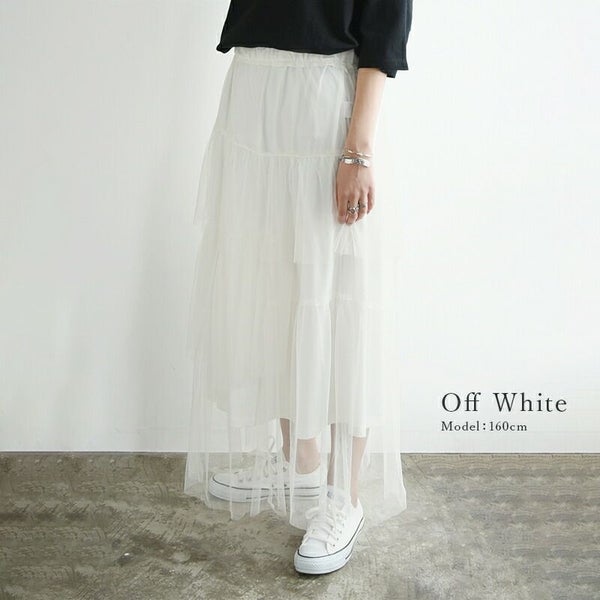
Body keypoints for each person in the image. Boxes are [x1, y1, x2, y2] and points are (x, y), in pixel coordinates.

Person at [184, 0, 413, 575]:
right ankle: (300, 465)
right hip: (252, 97)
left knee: (338, 300)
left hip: (322, 102)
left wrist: (358, 149)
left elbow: (385, 25)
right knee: (272, 294)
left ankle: (343, 497)